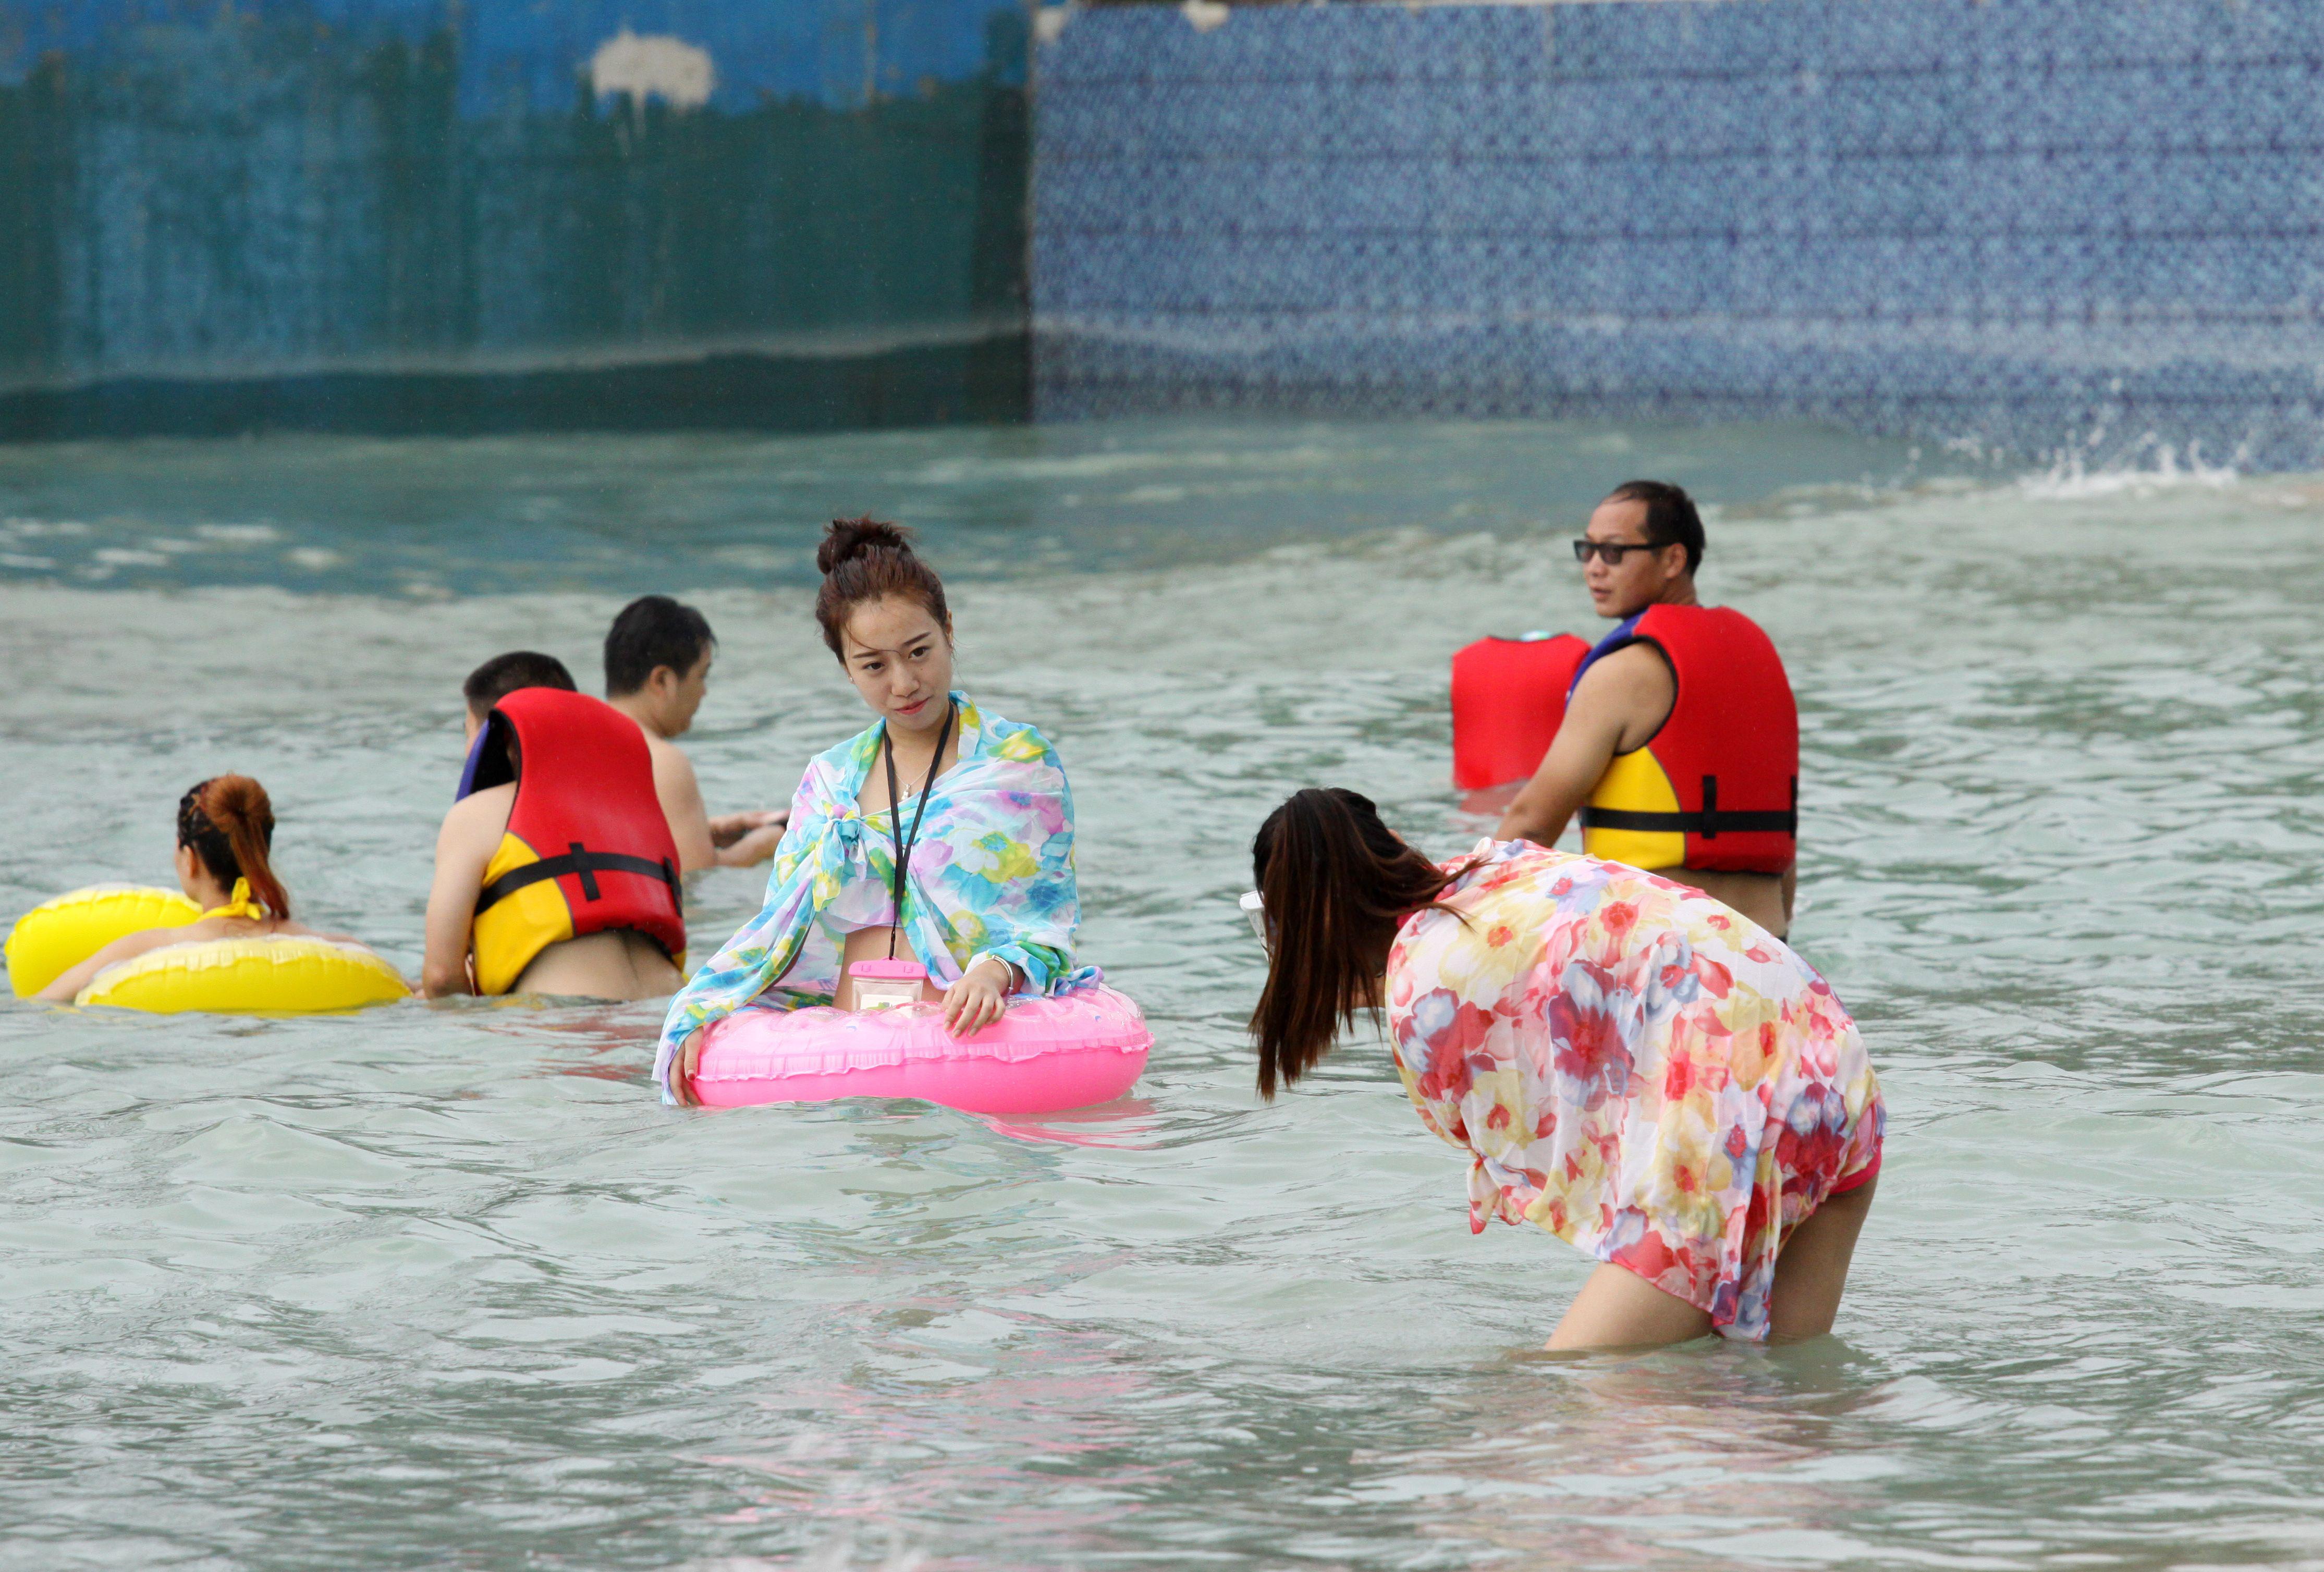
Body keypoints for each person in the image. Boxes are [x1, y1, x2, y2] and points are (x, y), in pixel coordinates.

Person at [1250, 788, 1882, 1349]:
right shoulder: (1498, 865)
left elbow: (1537, 1152)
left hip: (1737, 1113)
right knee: (1785, 1393)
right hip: (1837, 1071)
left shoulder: (1423, 979)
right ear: (1390, 846)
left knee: (1559, 1397)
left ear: (1304, 927)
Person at [657, 517, 1091, 1104]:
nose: (905, 683)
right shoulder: (829, 780)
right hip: (848, 1065)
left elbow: (1045, 924)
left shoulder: (1017, 763)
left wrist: (997, 971)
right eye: (874, 665)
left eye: (920, 652)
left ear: (950, 632)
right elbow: (780, 931)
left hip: (973, 1059)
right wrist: (710, 1007)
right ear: (846, 667)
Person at [1493, 481, 1800, 937]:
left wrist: (1451, 911)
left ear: (1674, 560)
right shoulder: (1759, 658)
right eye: (1587, 550)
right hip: (1769, 947)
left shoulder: (1624, 672)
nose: (1595, 568)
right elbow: (1782, 848)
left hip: (1661, 951)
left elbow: (1532, 824)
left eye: (1614, 553)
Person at [424, 653, 687, 1001]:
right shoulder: (631, 818)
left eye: (469, 731)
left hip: (570, 1030)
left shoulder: (475, 815)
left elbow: (441, 978)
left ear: (499, 735)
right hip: (672, 1013)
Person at [36, 776, 387, 1001]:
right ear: (260, 851)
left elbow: (42, 1006)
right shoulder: (341, 950)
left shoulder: (141, 951)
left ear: (189, 859)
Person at [603, 595, 787, 874]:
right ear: (663, 680)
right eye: (701, 676)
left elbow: (614, 844)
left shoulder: (579, 741)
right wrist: (766, 844)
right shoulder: (661, 760)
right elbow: (695, 881)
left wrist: (706, 831)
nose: (704, 692)